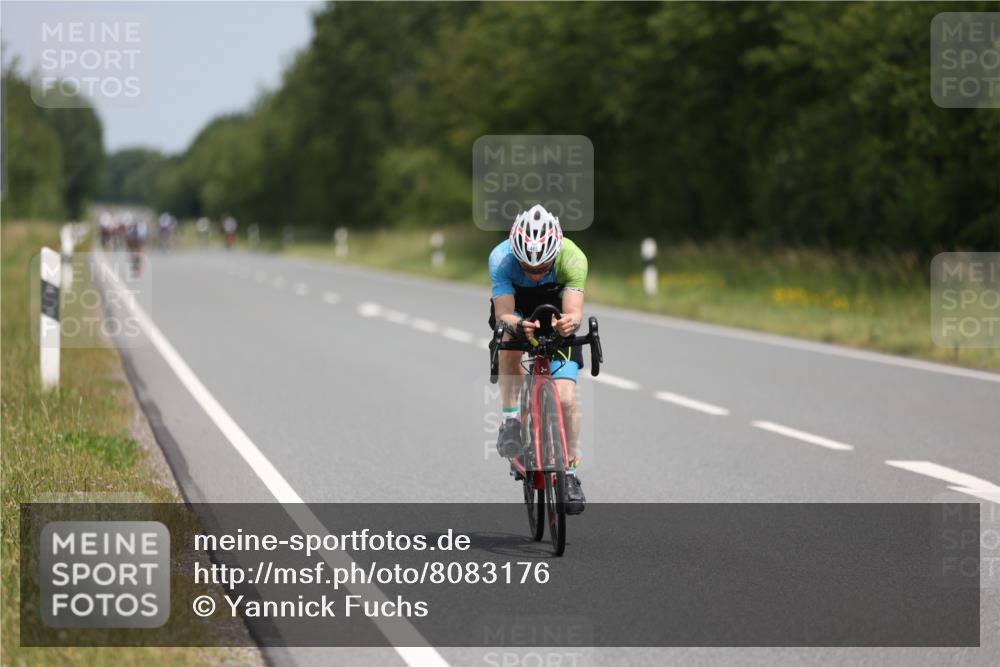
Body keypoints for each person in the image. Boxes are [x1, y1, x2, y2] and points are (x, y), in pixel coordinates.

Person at [488, 204, 588, 514]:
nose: (534, 274)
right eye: (527, 268)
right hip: (517, 313)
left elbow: (574, 312)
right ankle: (509, 420)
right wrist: (517, 324)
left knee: (567, 400)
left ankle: (569, 473)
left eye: (542, 268)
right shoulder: (501, 258)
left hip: (555, 313)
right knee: (507, 339)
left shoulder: (573, 256)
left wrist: (568, 323)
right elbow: (503, 311)